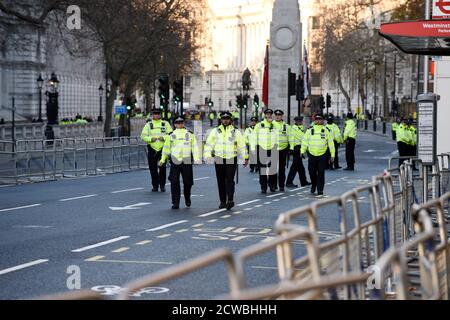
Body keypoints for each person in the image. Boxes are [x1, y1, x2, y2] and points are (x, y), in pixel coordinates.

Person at [204, 111, 248, 210]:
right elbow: (209, 144)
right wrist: (207, 155)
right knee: (220, 180)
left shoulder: (236, 131)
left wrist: (245, 157)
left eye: (227, 119)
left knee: (229, 179)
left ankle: (230, 200)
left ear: (230, 120)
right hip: (219, 158)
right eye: (223, 119)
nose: (225, 120)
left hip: (231, 158)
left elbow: (241, 145)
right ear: (221, 120)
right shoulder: (215, 131)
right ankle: (222, 201)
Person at [160, 117, 200, 210]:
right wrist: (162, 159)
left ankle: (187, 197)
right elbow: (166, 148)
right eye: (177, 123)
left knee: (188, 182)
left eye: (181, 123)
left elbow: (194, 147)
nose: (179, 125)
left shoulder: (190, 134)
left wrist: (197, 158)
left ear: (183, 124)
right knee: (174, 182)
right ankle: (175, 202)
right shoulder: (171, 135)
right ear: (174, 125)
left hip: (186, 160)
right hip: (175, 161)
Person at [301, 115, 335, 196]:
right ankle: (314, 184)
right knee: (311, 172)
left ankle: (320, 189)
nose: (318, 121)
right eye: (317, 119)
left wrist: (332, 154)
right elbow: (305, 141)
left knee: (321, 173)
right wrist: (302, 151)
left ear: (323, 120)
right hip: (312, 154)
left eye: (320, 119)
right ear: (314, 120)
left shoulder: (326, 130)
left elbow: (331, 143)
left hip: (322, 155)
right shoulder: (310, 130)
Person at [140, 109, 173, 192]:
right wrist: (151, 139)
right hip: (152, 148)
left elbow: (171, 135)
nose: (157, 115)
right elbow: (143, 136)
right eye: (155, 114)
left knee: (162, 168)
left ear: (160, 115)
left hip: (163, 149)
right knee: (153, 169)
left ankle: (162, 185)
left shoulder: (165, 124)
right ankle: (155, 185)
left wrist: (164, 138)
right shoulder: (149, 125)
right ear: (153, 115)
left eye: (158, 114)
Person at [252, 109, 278, 194]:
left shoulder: (275, 124)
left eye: (270, 114)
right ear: (264, 115)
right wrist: (253, 149)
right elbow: (254, 138)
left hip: (273, 149)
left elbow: (280, 129)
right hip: (262, 148)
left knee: (272, 169)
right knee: (262, 170)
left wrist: (272, 122)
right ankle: (263, 187)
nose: (269, 115)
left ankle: (272, 185)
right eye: (267, 114)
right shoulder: (259, 125)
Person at [286, 116, 311, 188]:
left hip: (299, 148)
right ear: (295, 121)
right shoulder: (294, 128)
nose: (300, 122)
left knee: (300, 167)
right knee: (294, 166)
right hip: (296, 149)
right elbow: (291, 139)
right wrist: (291, 149)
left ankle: (303, 181)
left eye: (301, 121)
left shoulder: (300, 128)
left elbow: (303, 138)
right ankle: (289, 182)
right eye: (298, 121)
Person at [273, 109, 291, 192]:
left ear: (282, 116)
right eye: (276, 115)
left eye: (279, 115)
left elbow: (290, 138)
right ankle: (273, 185)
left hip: (283, 150)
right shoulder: (271, 125)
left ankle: (281, 185)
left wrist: (291, 148)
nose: (277, 116)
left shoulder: (286, 126)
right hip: (273, 149)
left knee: (281, 169)